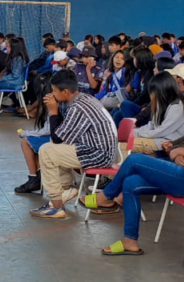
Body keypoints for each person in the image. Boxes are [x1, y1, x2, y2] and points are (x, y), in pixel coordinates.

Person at [83, 75, 184, 255]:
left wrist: (180, 153)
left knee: (134, 159)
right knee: (130, 183)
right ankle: (130, 240)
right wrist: (178, 152)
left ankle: (106, 197)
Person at [30, 70, 118, 220]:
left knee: (46, 150)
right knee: (53, 146)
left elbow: (58, 137)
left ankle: (55, 205)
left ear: (65, 92)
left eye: (54, 91)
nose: (52, 94)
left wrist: (52, 111)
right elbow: (61, 135)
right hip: (98, 150)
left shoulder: (79, 107)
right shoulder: (83, 99)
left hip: (99, 155)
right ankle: (66, 189)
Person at [14, 73, 67, 194]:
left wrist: (25, 132)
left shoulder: (53, 102)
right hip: (59, 137)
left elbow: (47, 130)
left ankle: (34, 178)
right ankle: (38, 176)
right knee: (34, 142)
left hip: (58, 140)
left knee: (26, 141)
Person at [128, 72, 184, 155]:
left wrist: (136, 133)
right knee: (124, 139)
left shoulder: (178, 105)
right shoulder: (162, 102)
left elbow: (163, 130)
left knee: (123, 145)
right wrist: (134, 132)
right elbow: (152, 125)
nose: (152, 96)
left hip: (166, 142)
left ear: (162, 91)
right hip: (158, 138)